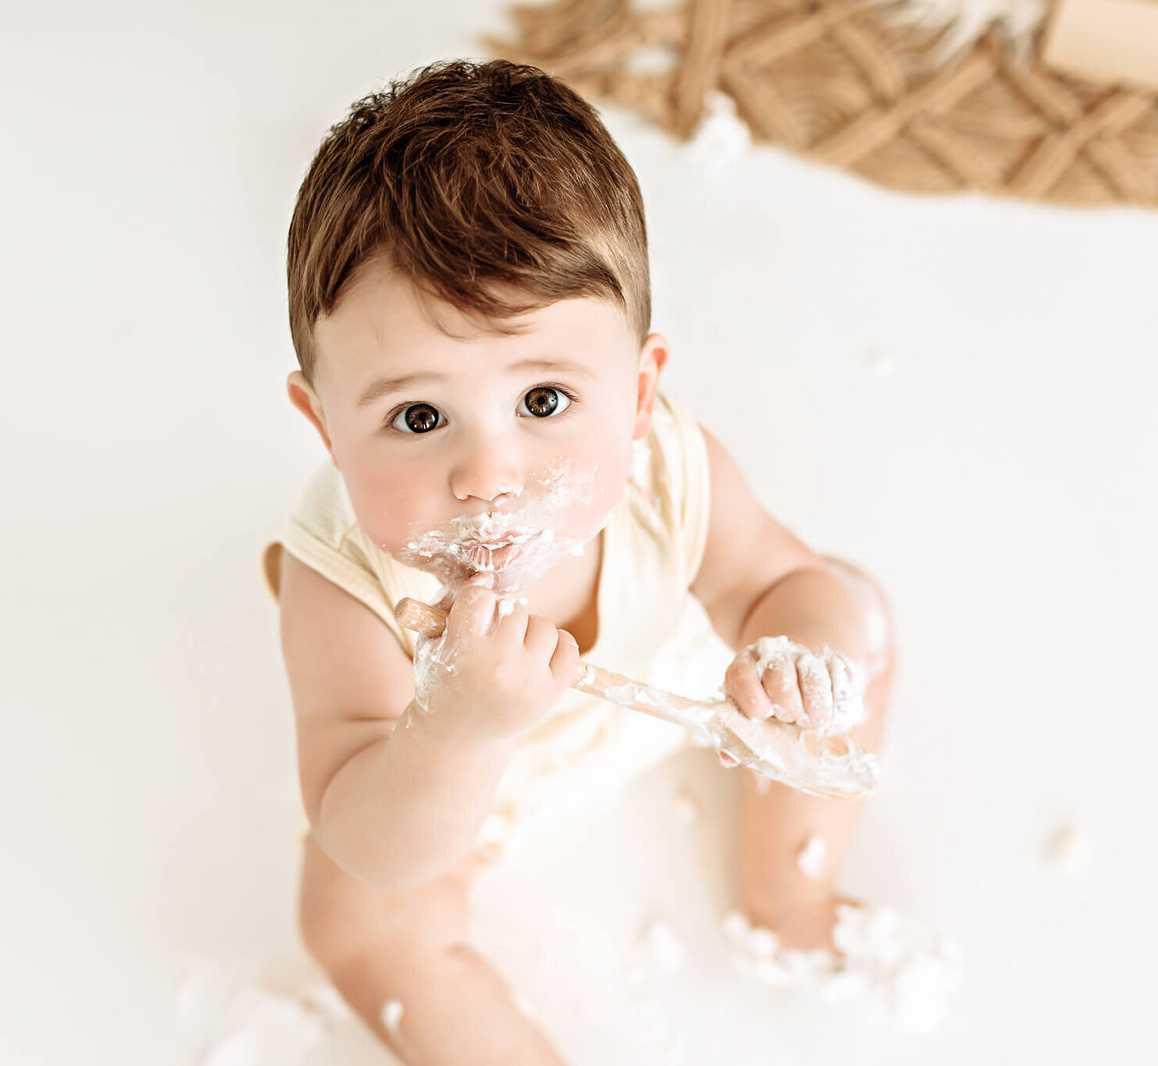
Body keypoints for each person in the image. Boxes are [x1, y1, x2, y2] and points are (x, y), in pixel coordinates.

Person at [261, 58, 896, 1064]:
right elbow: (365, 835)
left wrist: (789, 659)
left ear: (638, 394)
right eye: (417, 416)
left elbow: (780, 583)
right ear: (326, 426)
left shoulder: (667, 471)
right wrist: (453, 730)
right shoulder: (345, 585)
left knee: (853, 620)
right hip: (453, 778)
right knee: (355, 927)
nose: (488, 472)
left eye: (544, 401)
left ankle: (791, 894)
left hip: (667, 680)